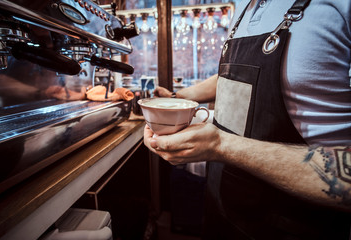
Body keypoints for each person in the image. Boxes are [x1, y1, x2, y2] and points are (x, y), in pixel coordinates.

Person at [144, 0, 351, 239]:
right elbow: (231, 72)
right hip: (221, 208)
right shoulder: (243, 5)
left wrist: (220, 145)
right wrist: (178, 96)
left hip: (295, 224)